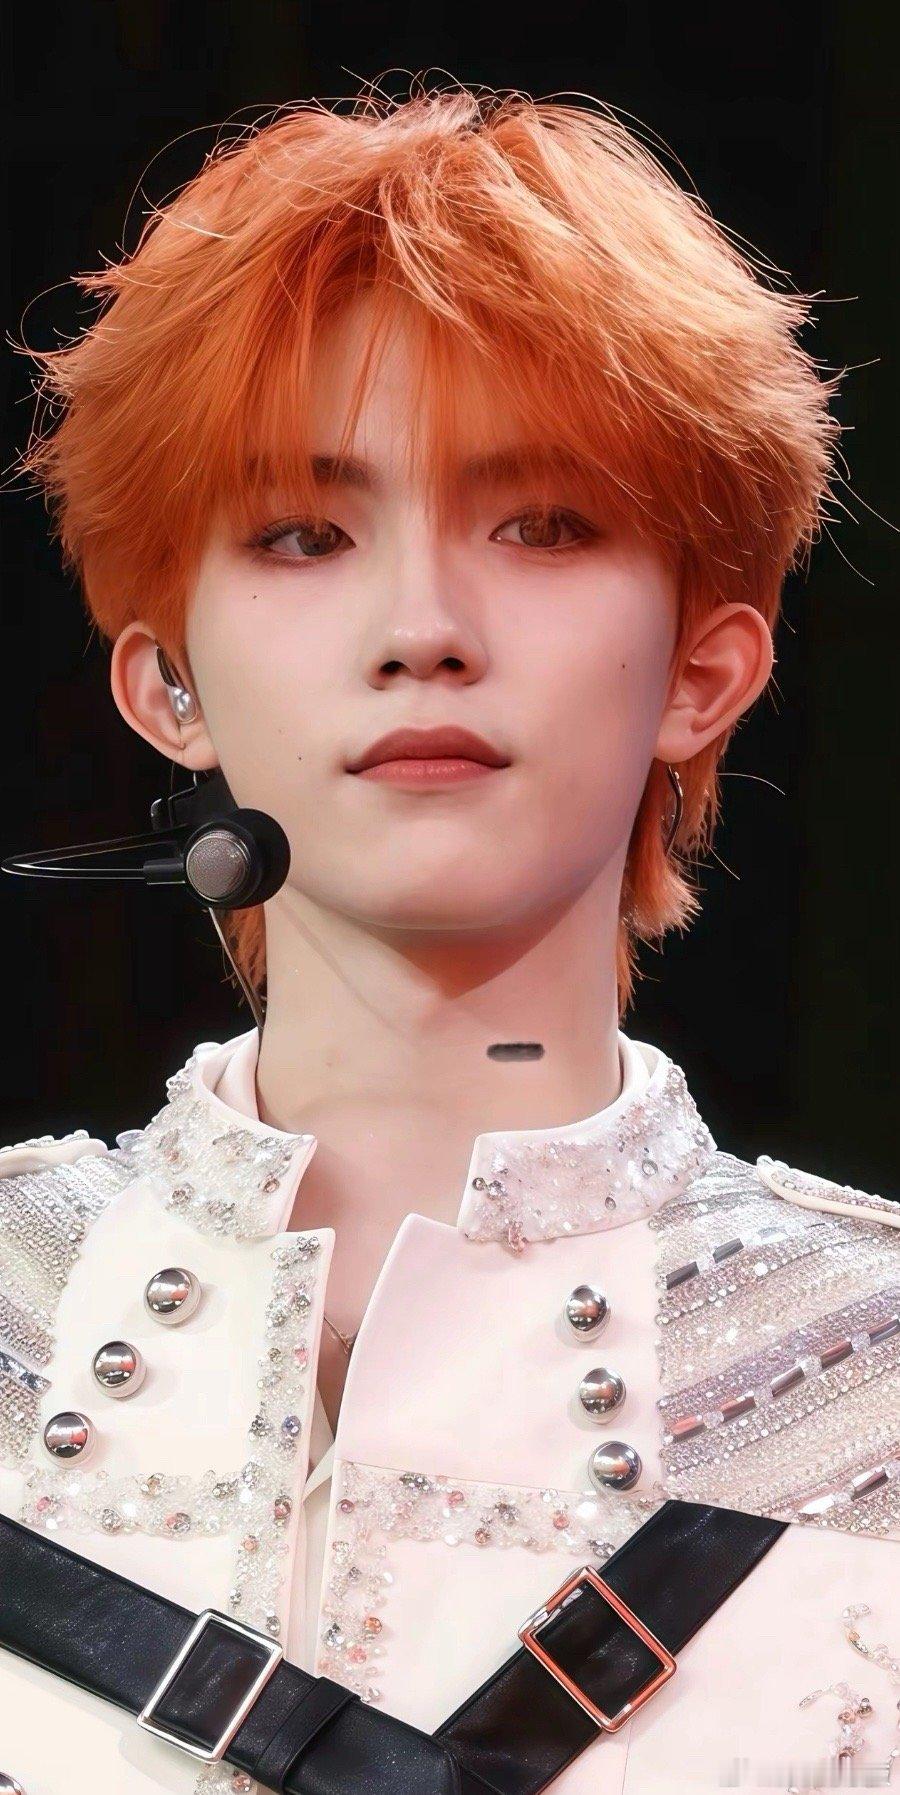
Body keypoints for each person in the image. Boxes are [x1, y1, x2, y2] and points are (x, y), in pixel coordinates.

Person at [1, 82, 897, 1795]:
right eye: (304, 535)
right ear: (168, 686)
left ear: (703, 671)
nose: (423, 626)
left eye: (543, 525)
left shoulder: (874, 1386)